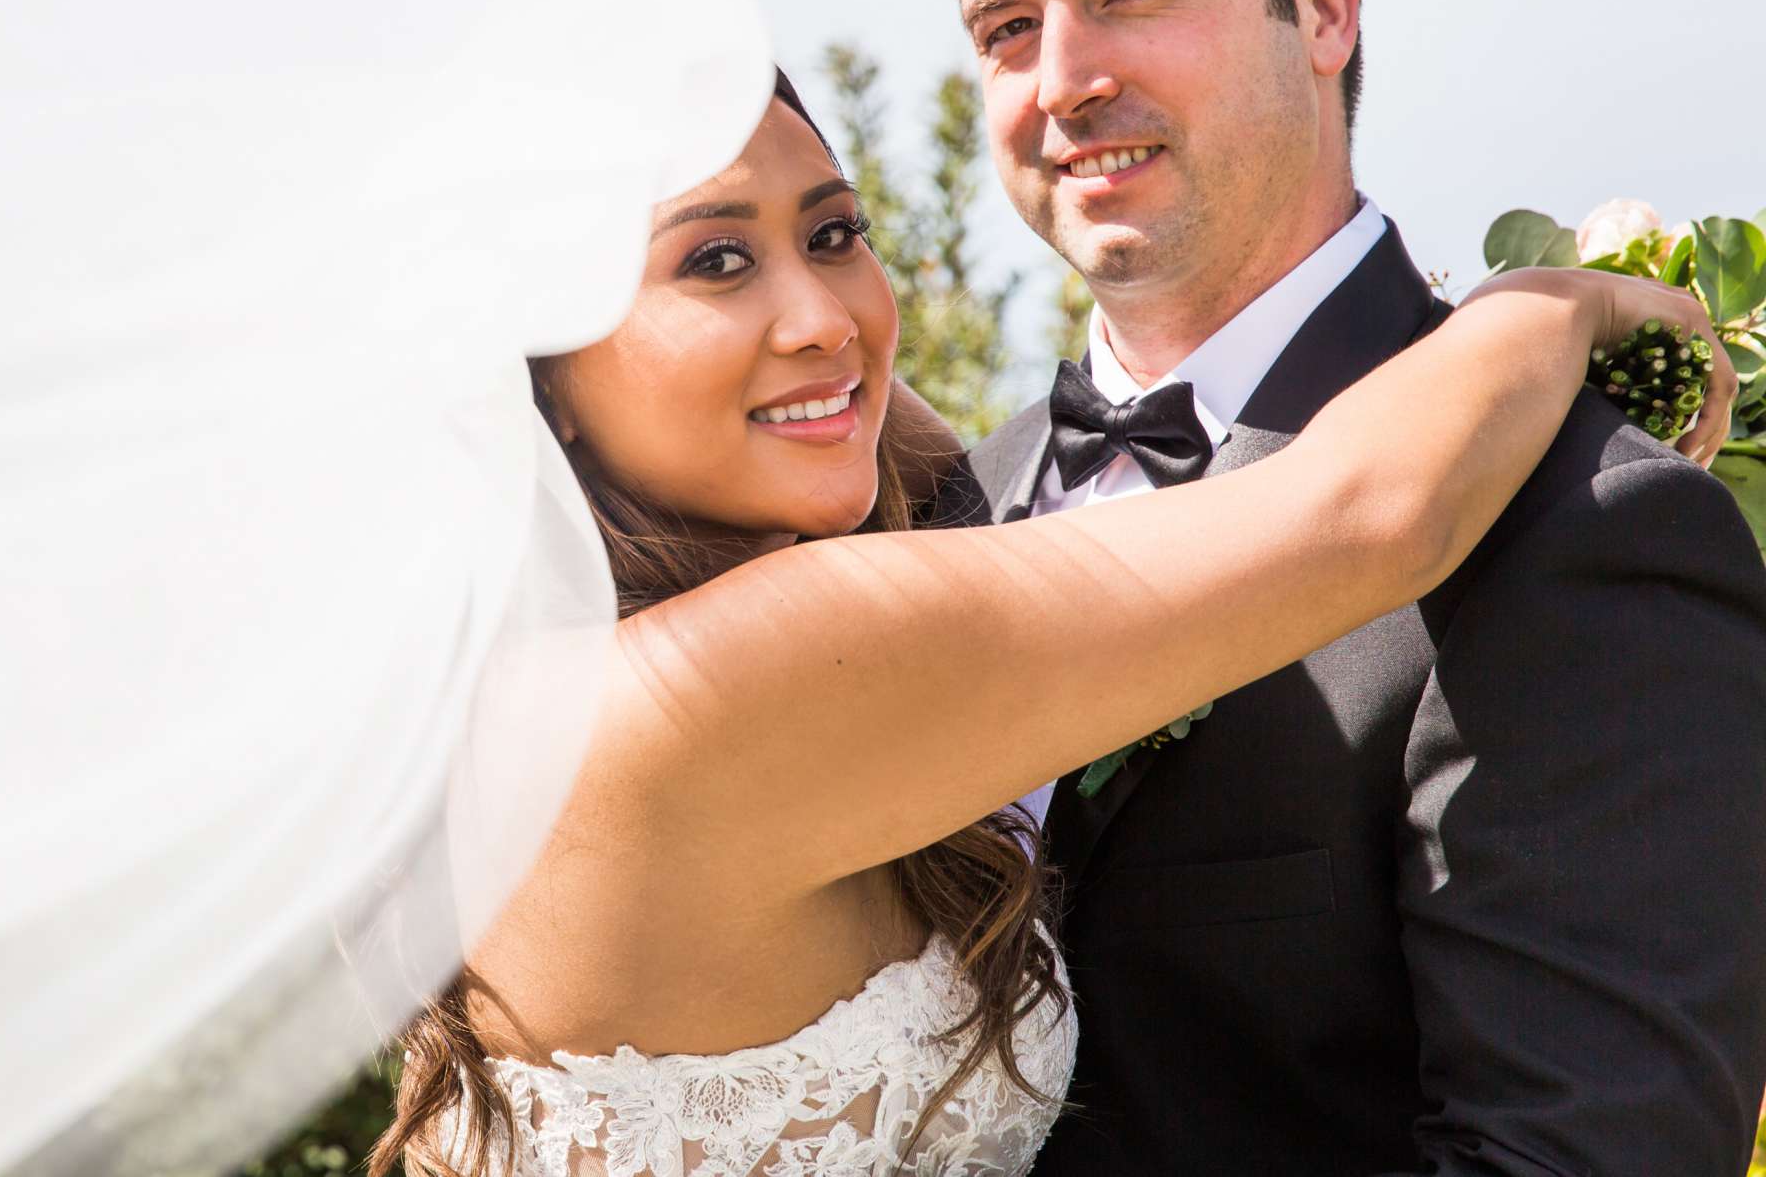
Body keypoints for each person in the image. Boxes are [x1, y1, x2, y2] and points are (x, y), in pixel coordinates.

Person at [366, 66, 1735, 1177]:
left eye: (836, 234)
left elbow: (910, 424)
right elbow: (1368, 512)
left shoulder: (530, 684)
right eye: (715, 261)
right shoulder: (732, 675)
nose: (824, 317)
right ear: (527, 369)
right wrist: (1560, 301)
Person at [936, 0, 1766, 1174]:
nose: (1061, 80)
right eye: (1006, 27)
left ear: (1323, 4)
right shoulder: (934, 516)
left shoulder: (1586, 516)